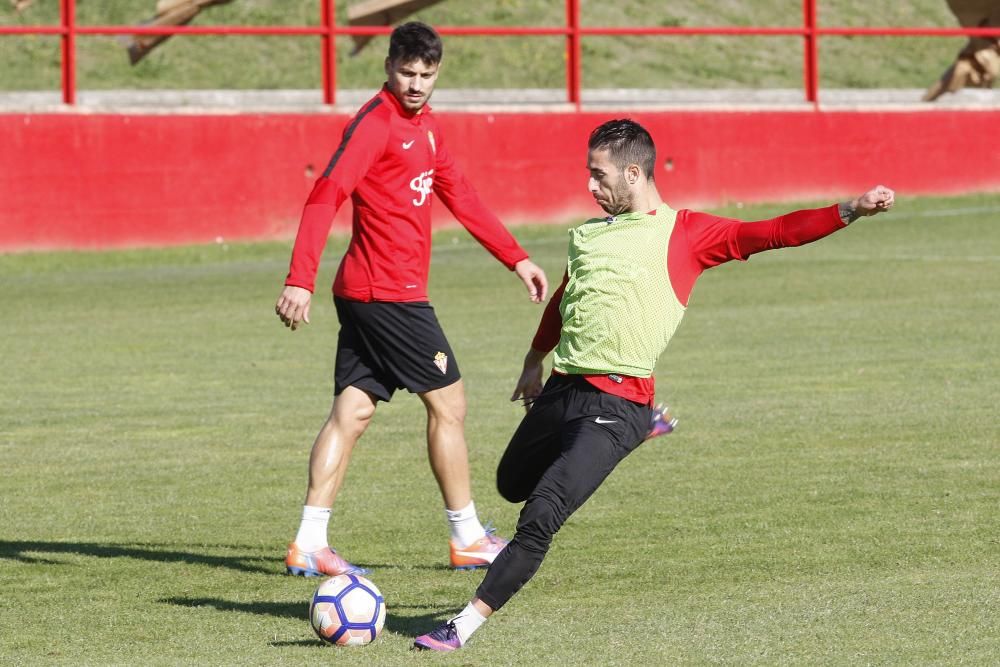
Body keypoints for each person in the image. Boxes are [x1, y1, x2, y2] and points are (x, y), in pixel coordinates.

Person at [413, 118, 895, 651]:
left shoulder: (687, 233)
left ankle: (461, 627)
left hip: (618, 404)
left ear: (634, 172)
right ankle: (642, 428)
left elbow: (774, 231)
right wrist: (534, 358)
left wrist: (851, 208)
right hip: (561, 390)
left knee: (540, 515)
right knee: (510, 482)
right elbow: (565, 299)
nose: (590, 187)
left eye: (599, 176)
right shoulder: (587, 235)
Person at [275, 21, 548, 577]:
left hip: (370, 293)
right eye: (406, 72)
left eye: (426, 74)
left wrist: (516, 257)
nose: (416, 83)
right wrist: (299, 277)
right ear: (388, 67)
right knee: (450, 404)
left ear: (437, 72)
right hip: (388, 295)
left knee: (351, 412)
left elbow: (461, 195)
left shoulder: (425, 127)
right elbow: (325, 193)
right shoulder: (376, 125)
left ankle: (309, 542)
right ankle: (468, 536)